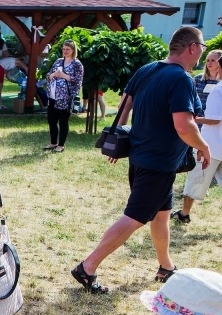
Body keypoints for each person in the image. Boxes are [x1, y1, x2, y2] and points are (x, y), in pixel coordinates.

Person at [72, 27, 210, 294]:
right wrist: (203, 147)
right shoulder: (182, 78)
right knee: (134, 217)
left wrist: (116, 139)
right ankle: (87, 268)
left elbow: (124, 105)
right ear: (192, 47)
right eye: (202, 47)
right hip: (158, 163)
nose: (202, 52)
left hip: (141, 157)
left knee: (161, 215)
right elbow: (184, 125)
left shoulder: (147, 69)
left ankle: (165, 266)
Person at [171, 82, 222, 224]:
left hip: (211, 146)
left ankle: (184, 213)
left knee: (195, 180)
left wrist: (195, 119)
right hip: (217, 145)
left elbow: (215, 119)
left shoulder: (218, 90)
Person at [42, 39, 83, 153]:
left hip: (66, 98)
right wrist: (53, 75)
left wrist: (65, 76)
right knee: (51, 120)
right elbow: (48, 76)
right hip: (53, 96)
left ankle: (61, 144)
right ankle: (53, 142)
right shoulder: (58, 61)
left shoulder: (77, 64)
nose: (65, 51)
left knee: (63, 121)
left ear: (73, 50)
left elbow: (78, 81)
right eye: (64, 49)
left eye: (68, 49)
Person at [192, 49, 221, 120]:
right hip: (197, 118)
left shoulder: (220, 82)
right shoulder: (198, 78)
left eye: (213, 60)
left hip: (214, 119)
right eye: (208, 60)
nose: (209, 63)